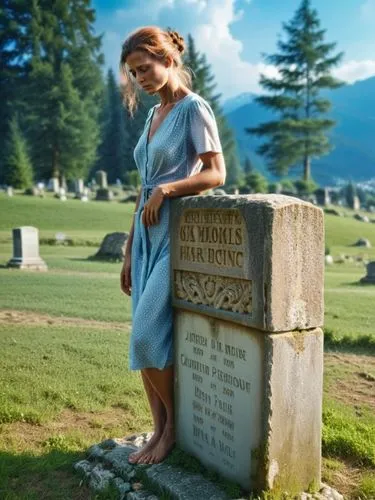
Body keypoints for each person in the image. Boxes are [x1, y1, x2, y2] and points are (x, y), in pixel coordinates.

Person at [119, 26, 226, 465]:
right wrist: (127, 251)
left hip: (173, 237)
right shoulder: (151, 116)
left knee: (147, 334)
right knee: (142, 341)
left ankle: (176, 429)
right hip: (144, 240)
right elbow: (143, 189)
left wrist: (169, 190)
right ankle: (159, 432)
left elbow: (216, 173)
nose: (140, 79)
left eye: (145, 68)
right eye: (133, 73)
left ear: (168, 59)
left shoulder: (193, 108)